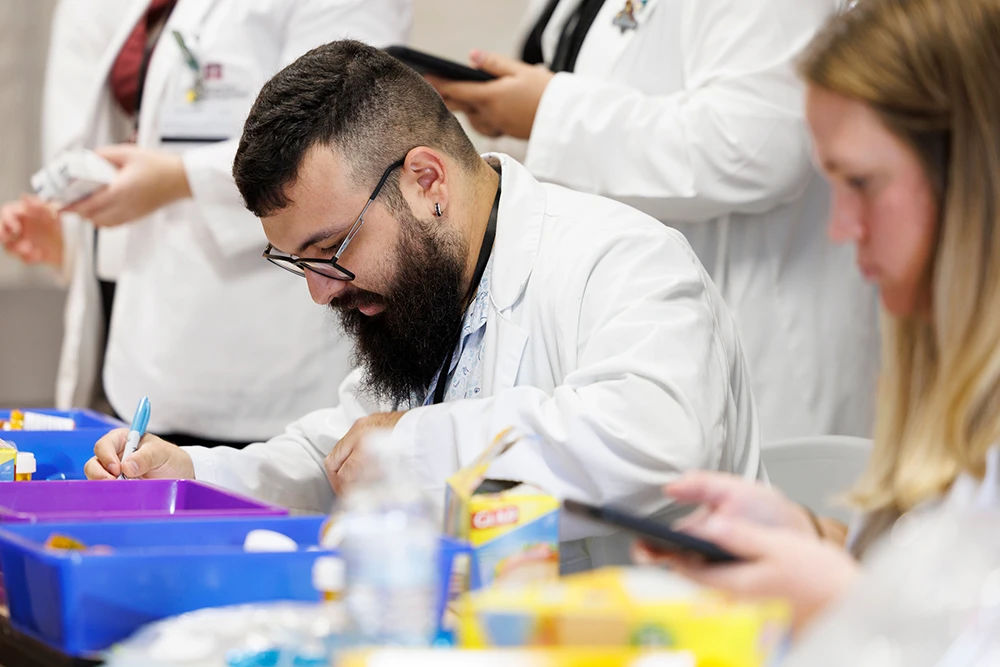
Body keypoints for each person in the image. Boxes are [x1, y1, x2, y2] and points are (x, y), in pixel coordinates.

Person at [86, 39, 764, 571]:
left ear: (426, 179)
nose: (320, 289)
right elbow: (341, 457)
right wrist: (196, 474)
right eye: (298, 261)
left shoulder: (621, 258)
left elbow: (659, 446)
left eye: (331, 248)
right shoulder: (424, 292)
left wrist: (415, 448)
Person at [634, 0, 1000, 635]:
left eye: (861, 183)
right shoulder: (942, 371)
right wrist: (803, 533)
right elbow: (933, 579)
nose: (840, 227)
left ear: (971, 172)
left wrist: (845, 604)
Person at [425, 0, 880, 442]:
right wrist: (520, 107)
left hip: (758, 325)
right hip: (614, 309)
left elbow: (758, 144)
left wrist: (550, 112)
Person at [0, 0, 411, 447]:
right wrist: (74, 240)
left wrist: (178, 179)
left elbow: (345, 137)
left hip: (265, 353)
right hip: (143, 343)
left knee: (266, 477)